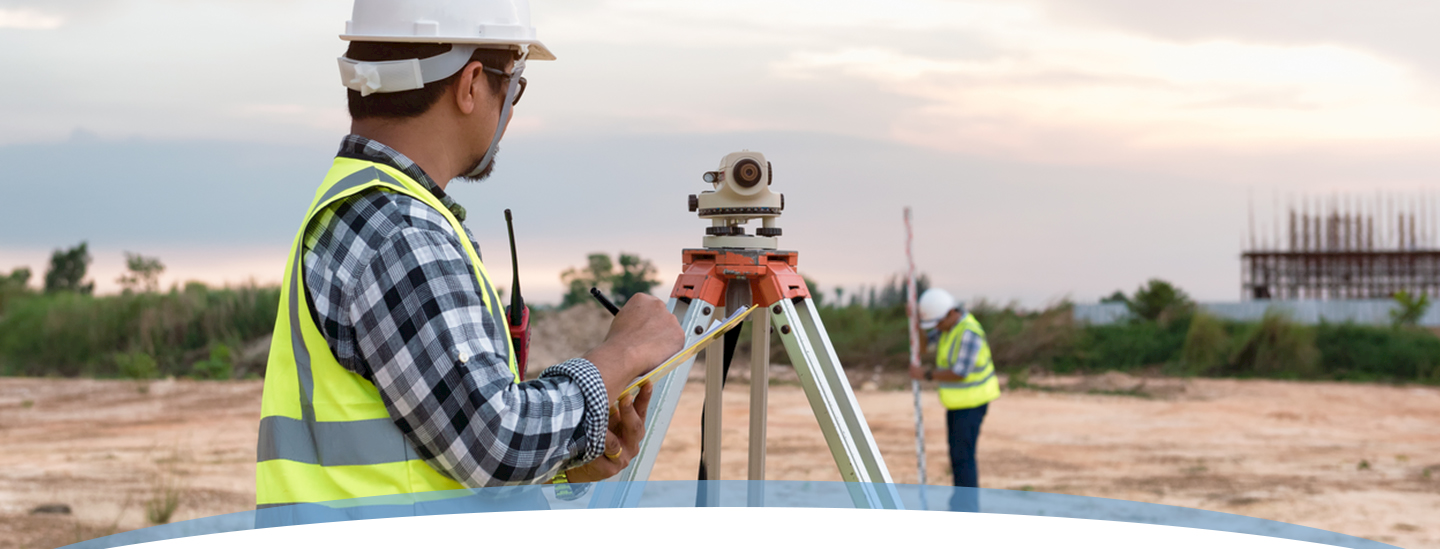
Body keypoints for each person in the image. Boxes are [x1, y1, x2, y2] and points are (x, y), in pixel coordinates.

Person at [255, 0, 684, 510]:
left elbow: (438, 447)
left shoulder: (363, 207)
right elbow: (495, 443)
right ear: (472, 82)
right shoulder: (400, 230)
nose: (510, 111)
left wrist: (564, 462)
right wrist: (624, 353)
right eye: (514, 86)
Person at [910, 288, 1000, 511]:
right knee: (958, 457)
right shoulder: (948, 327)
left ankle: (967, 508)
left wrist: (926, 375)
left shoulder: (968, 332)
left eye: (938, 323)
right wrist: (915, 322)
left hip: (972, 403)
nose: (937, 328)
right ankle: (960, 504)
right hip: (957, 403)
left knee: (964, 458)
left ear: (951, 313)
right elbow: (924, 346)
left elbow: (960, 372)